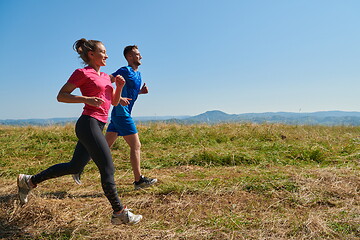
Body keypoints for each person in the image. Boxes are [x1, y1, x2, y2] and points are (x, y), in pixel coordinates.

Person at [17, 38, 142, 225]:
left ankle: (29, 181)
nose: (107, 55)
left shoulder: (107, 77)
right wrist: (86, 99)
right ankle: (119, 212)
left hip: (99, 124)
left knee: (75, 166)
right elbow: (61, 96)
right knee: (108, 168)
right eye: (103, 52)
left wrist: (119, 88)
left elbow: (113, 102)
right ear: (92, 54)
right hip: (88, 123)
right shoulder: (82, 73)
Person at [73, 45, 157, 190]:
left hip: (121, 114)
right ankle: (139, 180)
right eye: (137, 54)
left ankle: (77, 167)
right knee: (136, 146)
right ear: (129, 57)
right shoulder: (125, 70)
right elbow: (107, 82)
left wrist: (140, 92)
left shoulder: (138, 74)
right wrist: (115, 96)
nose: (140, 56)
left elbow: (130, 92)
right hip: (121, 113)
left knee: (102, 148)